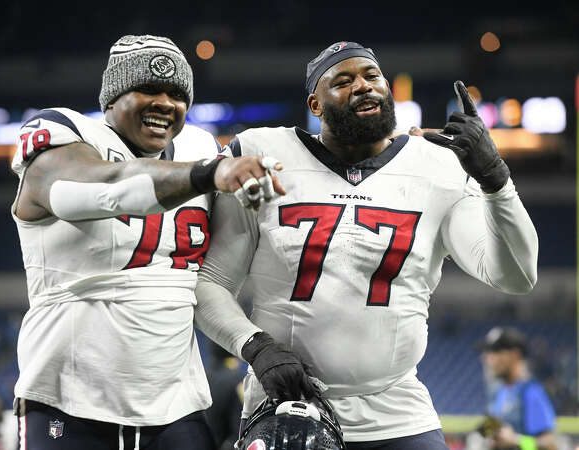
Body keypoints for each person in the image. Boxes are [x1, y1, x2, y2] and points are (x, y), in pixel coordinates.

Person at [193, 41, 538, 449]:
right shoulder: (263, 154)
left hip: (397, 409)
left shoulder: (438, 166)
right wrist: (256, 347)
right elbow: (209, 282)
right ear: (315, 105)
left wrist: (494, 177)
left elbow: (516, 276)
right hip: (287, 405)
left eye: (372, 76)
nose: (363, 86)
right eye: (343, 81)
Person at [10, 34, 284, 450]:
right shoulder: (64, 132)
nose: (165, 103)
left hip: (176, 405)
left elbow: (208, 280)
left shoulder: (198, 146)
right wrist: (205, 174)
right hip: (70, 399)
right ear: (112, 96)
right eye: (147, 89)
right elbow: (97, 189)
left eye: (177, 94)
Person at [479, 327, 557, 450]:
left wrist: (517, 441)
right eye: (488, 352)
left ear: (515, 355)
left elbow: (550, 446)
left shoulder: (531, 392)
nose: (488, 358)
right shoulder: (497, 392)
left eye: (496, 351)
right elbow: (486, 435)